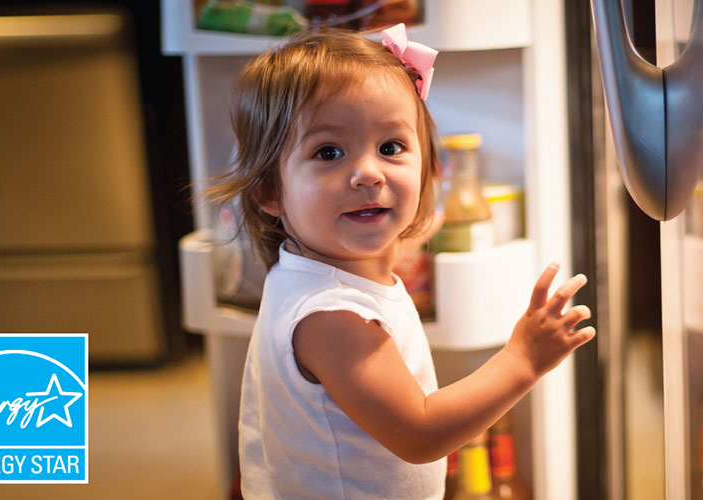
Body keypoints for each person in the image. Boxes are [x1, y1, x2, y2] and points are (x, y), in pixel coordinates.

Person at [207, 24, 595, 499]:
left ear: (429, 168)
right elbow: (421, 432)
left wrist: (402, 244)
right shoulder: (333, 320)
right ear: (270, 190)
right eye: (329, 152)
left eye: (391, 148)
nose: (368, 173)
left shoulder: (321, 271)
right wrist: (522, 359)